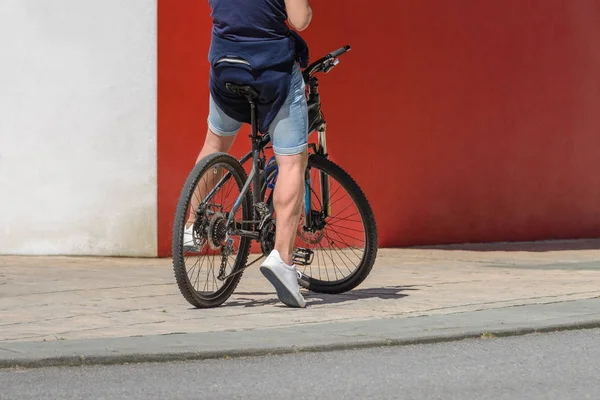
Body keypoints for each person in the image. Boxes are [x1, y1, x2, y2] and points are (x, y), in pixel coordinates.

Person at [186, 0, 313, 308]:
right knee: (291, 161)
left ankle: (191, 226)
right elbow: (300, 20)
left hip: (226, 67)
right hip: (271, 73)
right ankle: (282, 260)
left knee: (214, 145)